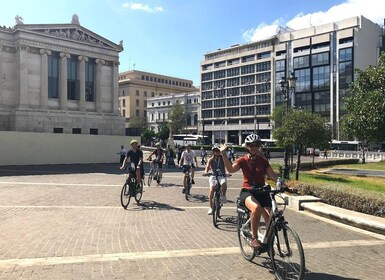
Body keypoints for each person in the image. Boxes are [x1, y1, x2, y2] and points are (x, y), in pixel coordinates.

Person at [220, 134, 282, 250]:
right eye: (250, 145)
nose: (253, 147)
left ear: (259, 146)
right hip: (247, 191)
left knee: (271, 218)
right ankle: (254, 238)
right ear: (247, 146)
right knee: (257, 208)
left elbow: (272, 176)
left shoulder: (263, 161)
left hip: (261, 191)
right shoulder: (242, 160)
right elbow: (231, 169)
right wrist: (223, 154)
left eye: (256, 145)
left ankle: (267, 240)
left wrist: (285, 185)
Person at [204, 144, 228, 215]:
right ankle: (210, 207)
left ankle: (223, 195)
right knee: (211, 190)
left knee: (224, 184)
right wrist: (206, 172)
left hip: (222, 175)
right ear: (213, 152)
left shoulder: (223, 158)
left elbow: (227, 165)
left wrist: (228, 172)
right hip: (213, 176)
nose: (217, 152)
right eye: (215, 151)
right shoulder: (211, 159)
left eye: (218, 151)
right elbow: (207, 166)